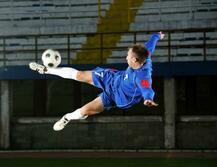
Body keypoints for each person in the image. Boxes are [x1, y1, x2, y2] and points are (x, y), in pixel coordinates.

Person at [29, 31, 165, 131]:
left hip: (119, 97)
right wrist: (157, 35)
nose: (126, 58)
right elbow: (151, 43)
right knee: (81, 75)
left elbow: (147, 88)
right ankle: (46, 70)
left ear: (135, 60)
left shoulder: (143, 76)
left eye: (128, 56)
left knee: (85, 111)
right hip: (114, 78)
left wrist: (148, 98)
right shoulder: (145, 54)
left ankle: (67, 117)